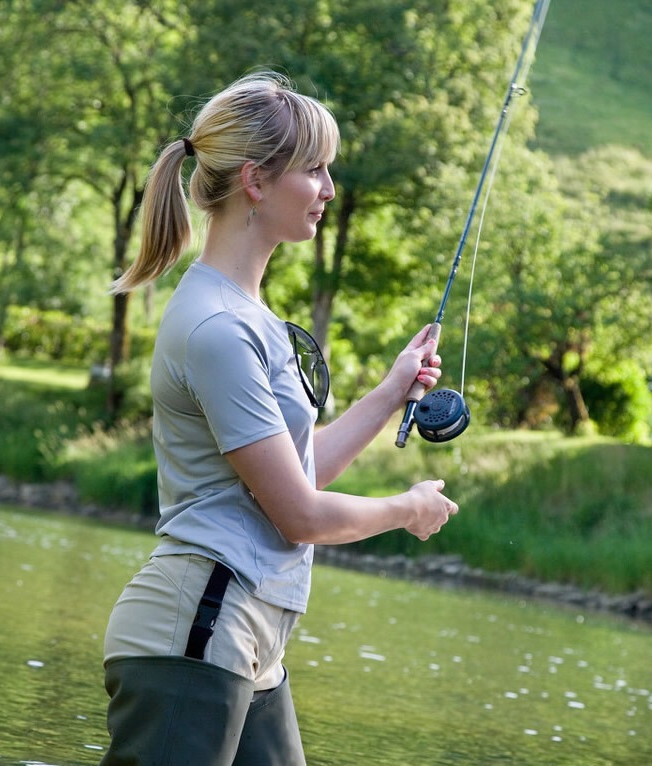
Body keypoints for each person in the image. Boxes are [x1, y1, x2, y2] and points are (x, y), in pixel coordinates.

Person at [99, 71, 458, 765]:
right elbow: (301, 514)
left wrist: (389, 393)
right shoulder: (216, 328)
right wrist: (406, 508)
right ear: (257, 182)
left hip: (248, 636)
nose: (328, 188)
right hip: (199, 631)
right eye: (315, 169)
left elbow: (292, 472)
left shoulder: (247, 319)